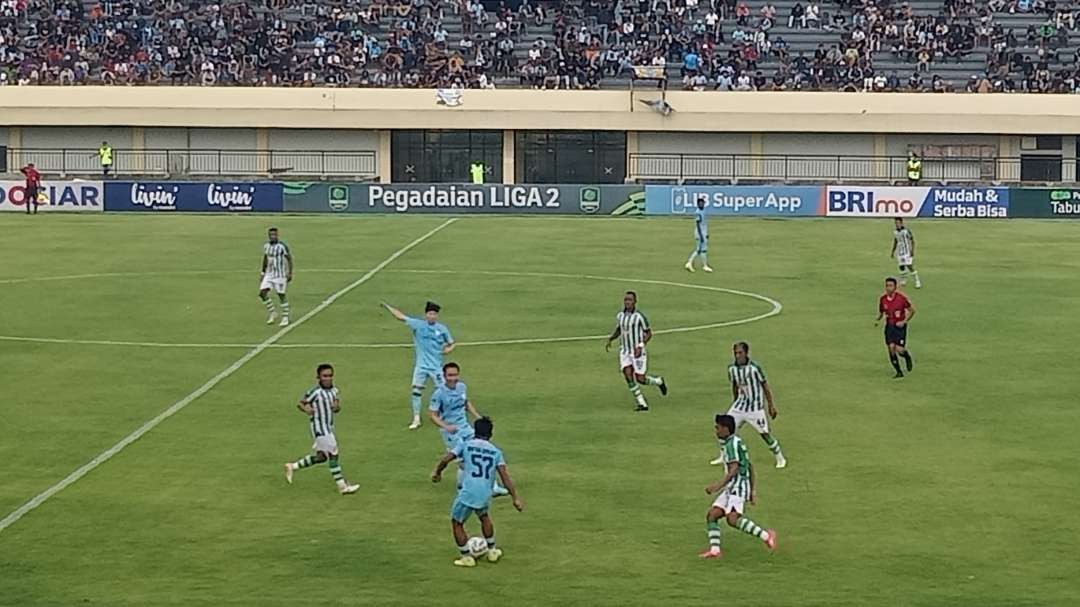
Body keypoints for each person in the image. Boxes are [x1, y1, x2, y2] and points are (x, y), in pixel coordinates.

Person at [432, 417, 524, 567]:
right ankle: (492, 550)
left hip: (468, 491)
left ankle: (466, 557)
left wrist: (437, 473)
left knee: (457, 522)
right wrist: (515, 498)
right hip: (485, 492)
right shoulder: (496, 452)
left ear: (475, 431)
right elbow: (505, 477)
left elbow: (446, 459)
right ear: (490, 434)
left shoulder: (466, 445)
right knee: (483, 516)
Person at [700, 414, 778, 559]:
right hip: (733, 486)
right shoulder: (734, 442)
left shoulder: (731, 445)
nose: (716, 431)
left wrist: (716, 487)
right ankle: (715, 550)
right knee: (712, 515)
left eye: (718, 428)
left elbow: (734, 469)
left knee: (733, 519)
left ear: (726, 429)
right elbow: (750, 466)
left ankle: (767, 536)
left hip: (738, 486)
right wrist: (753, 490)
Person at [429, 362, 508, 496]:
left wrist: (477, 417)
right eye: (450, 375)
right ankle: (462, 485)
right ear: (444, 376)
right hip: (451, 432)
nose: (453, 378)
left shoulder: (461, 387)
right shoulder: (439, 394)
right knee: (463, 461)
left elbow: (466, 403)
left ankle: (492, 487)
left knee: (482, 451)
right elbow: (432, 415)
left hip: (465, 427)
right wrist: (446, 426)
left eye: (455, 375)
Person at [283, 364, 360, 495]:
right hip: (319, 428)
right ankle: (342, 486)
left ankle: (292, 466)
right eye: (325, 376)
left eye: (330, 376)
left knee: (322, 457)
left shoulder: (334, 391)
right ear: (318, 377)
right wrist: (306, 408)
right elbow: (301, 403)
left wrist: (336, 407)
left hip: (329, 427)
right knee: (333, 453)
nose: (328, 378)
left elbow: (336, 407)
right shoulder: (315, 392)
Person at [710, 342, 787, 468]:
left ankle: (780, 457)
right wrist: (735, 401)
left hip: (755, 408)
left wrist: (771, 405)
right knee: (724, 427)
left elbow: (765, 386)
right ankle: (723, 456)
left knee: (764, 433)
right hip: (740, 405)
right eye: (735, 353)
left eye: (740, 353)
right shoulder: (732, 369)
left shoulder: (754, 368)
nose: (738, 355)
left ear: (746, 353)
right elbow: (734, 385)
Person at [383, 301, 456, 429]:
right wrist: (388, 307)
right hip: (421, 366)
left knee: (443, 390)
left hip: (436, 366)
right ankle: (416, 418)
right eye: (430, 313)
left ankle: (445, 414)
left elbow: (452, 343)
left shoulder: (442, 329)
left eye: (434, 314)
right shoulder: (418, 325)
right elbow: (401, 316)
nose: (432, 316)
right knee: (416, 391)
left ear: (437, 316)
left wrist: (447, 350)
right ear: (426, 315)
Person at [605, 291, 669, 412]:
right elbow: (620, 329)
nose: (627, 302)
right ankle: (641, 403)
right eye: (626, 300)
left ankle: (659, 381)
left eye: (630, 300)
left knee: (641, 379)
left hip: (637, 352)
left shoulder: (640, 317)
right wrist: (611, 338)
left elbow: (649, 333)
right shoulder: (620, 316)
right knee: (627, 374)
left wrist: (640, 345)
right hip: (625, 351)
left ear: (635, 302)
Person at [876, 278, 915, 379]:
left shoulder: (901, 299)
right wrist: (878, 319)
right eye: (887, 286)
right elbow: (882, 311)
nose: (888, 288)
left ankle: (907, 356)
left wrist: (904, 321)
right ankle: (898, 372)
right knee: (891, 348)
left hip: (899, 327)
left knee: (899, 349)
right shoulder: (883, 299)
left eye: (890, 286)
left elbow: (912, 311)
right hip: (889, 326)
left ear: (895, 287)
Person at [259, 227, 293, 326]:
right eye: (271, 235)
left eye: (274, 235)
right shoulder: (266, 246)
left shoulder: (282, 246)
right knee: (262, 293)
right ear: (269, 236)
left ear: (277, 235)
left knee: (281, 295)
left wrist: (290, 272)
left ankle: (285, 317)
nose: (273, 236)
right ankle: (273, 312)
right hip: (269, 274)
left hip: (280, 275)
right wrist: (262, 272)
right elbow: (265, 258)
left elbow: (289, 259)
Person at [685, 196, 713, 273]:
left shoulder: (704, 211)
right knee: (699, 249)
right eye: (700, 203)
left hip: (703, 232)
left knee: (703, 250)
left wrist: (706, 233)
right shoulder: (698, 212)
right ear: (698, 204)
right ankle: (690, 263)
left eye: (702, 203)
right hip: (699, 233)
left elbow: (704, 223)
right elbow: (697, 224)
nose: (702, 205)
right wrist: (701, 235)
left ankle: (704, 265)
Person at [891, 218, 922, 288]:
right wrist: (893, 251)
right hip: (900, 252)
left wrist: (912, 250)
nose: (897, 224)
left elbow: (912, 240)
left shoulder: (906, 231)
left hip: (907, 252)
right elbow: (895, 241)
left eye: (898, 223)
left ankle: (917, 281)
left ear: (901, 223)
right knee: (901, 266)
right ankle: (904, 280)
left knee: (909, 266)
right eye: (896, 223)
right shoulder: (895, 232)